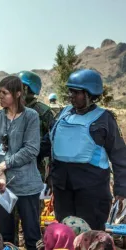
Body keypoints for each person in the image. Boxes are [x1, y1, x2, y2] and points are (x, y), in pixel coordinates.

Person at [47, 69, 126, 230]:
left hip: (92, 189)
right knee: (65, 232)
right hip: (63, 187)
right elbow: (48, 144)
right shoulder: (63, 115)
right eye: (70, 91)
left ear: (90, 94)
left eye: (76, 92)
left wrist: (121, 189)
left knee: (91, 235)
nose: (71, 96)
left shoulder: (104, 119)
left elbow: (119, 156)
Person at [0, 75, 43, 250]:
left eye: (5, 93)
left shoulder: (30, 116)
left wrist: (3, 165)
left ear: (18, 94)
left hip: (26, 186)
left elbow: (31, 150)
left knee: (32, 236)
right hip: (1, 187)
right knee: (5, 236)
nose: (0, 96)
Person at [18, 70, 54, 181]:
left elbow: (53, 143)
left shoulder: (44, 112)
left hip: (35, 169)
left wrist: (51, 174)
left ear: (27, 88)